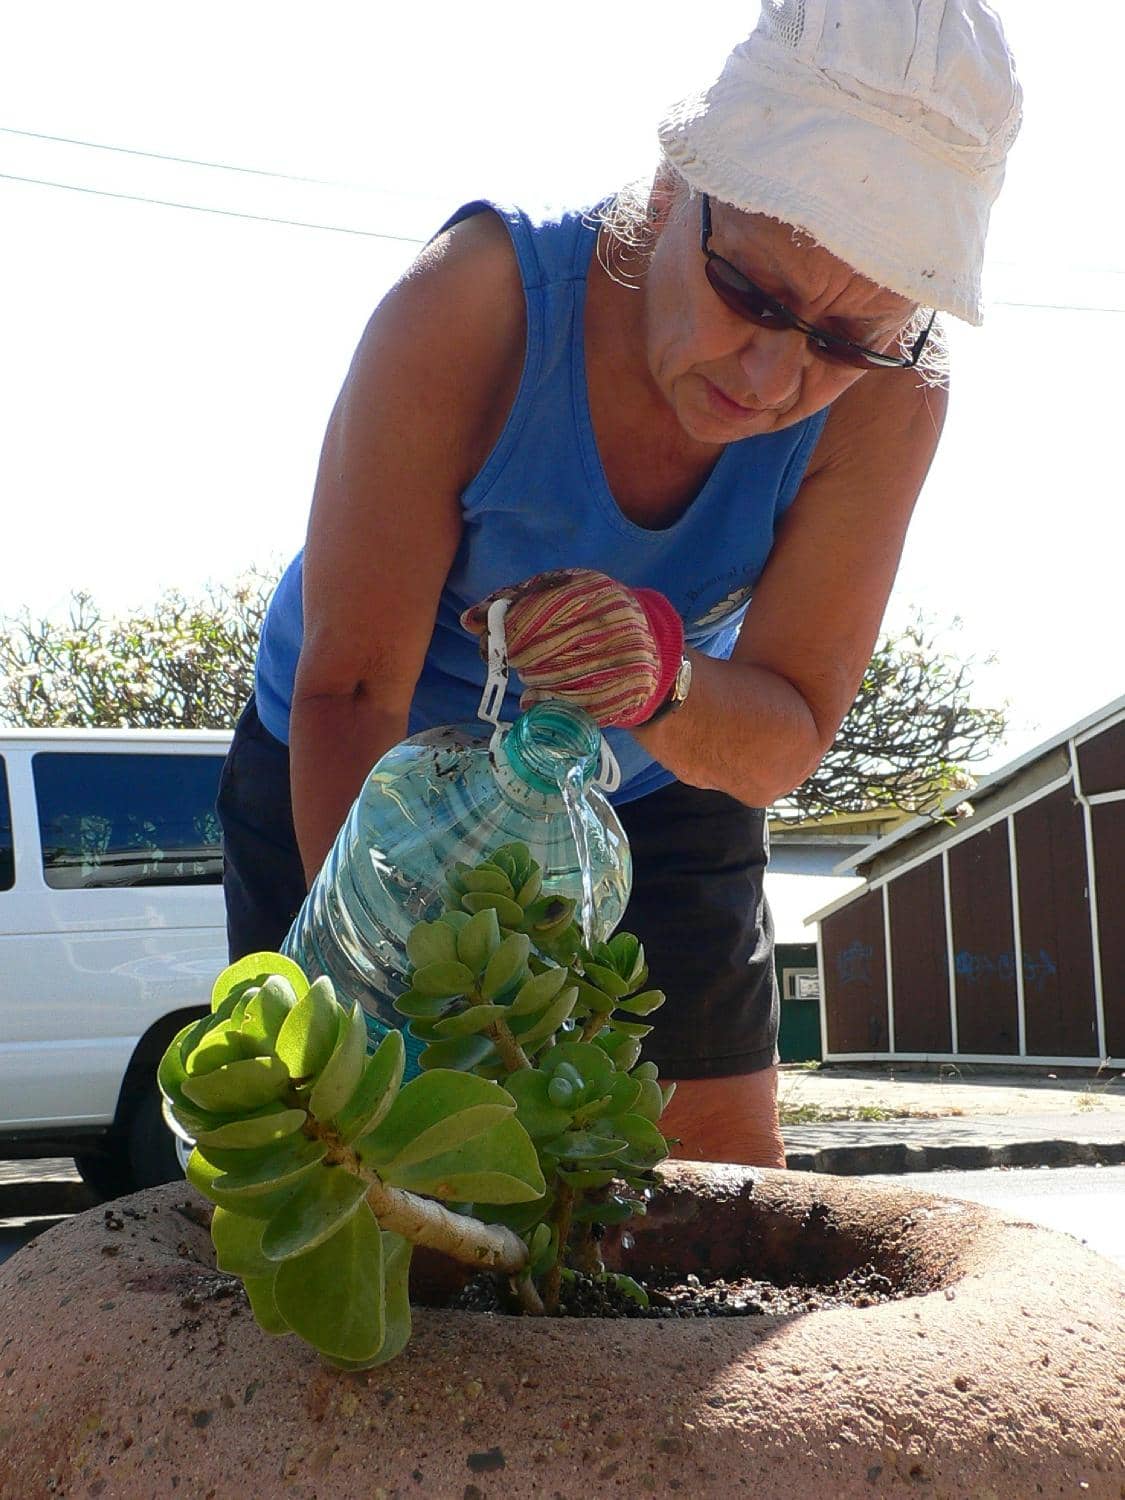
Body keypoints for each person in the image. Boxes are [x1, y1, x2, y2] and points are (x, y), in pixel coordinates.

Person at [217, 0, 1022, 1169]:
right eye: (753, 294)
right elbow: (352, 691)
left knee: (721, 1187)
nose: (773, 378)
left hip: (642, 787)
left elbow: (786, 733)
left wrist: (660, 685)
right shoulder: (473, 304)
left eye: (845, 341)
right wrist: (397, 1010)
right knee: (355, 1169)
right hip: (361, 758)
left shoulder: (899, 392)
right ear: (674, 186)